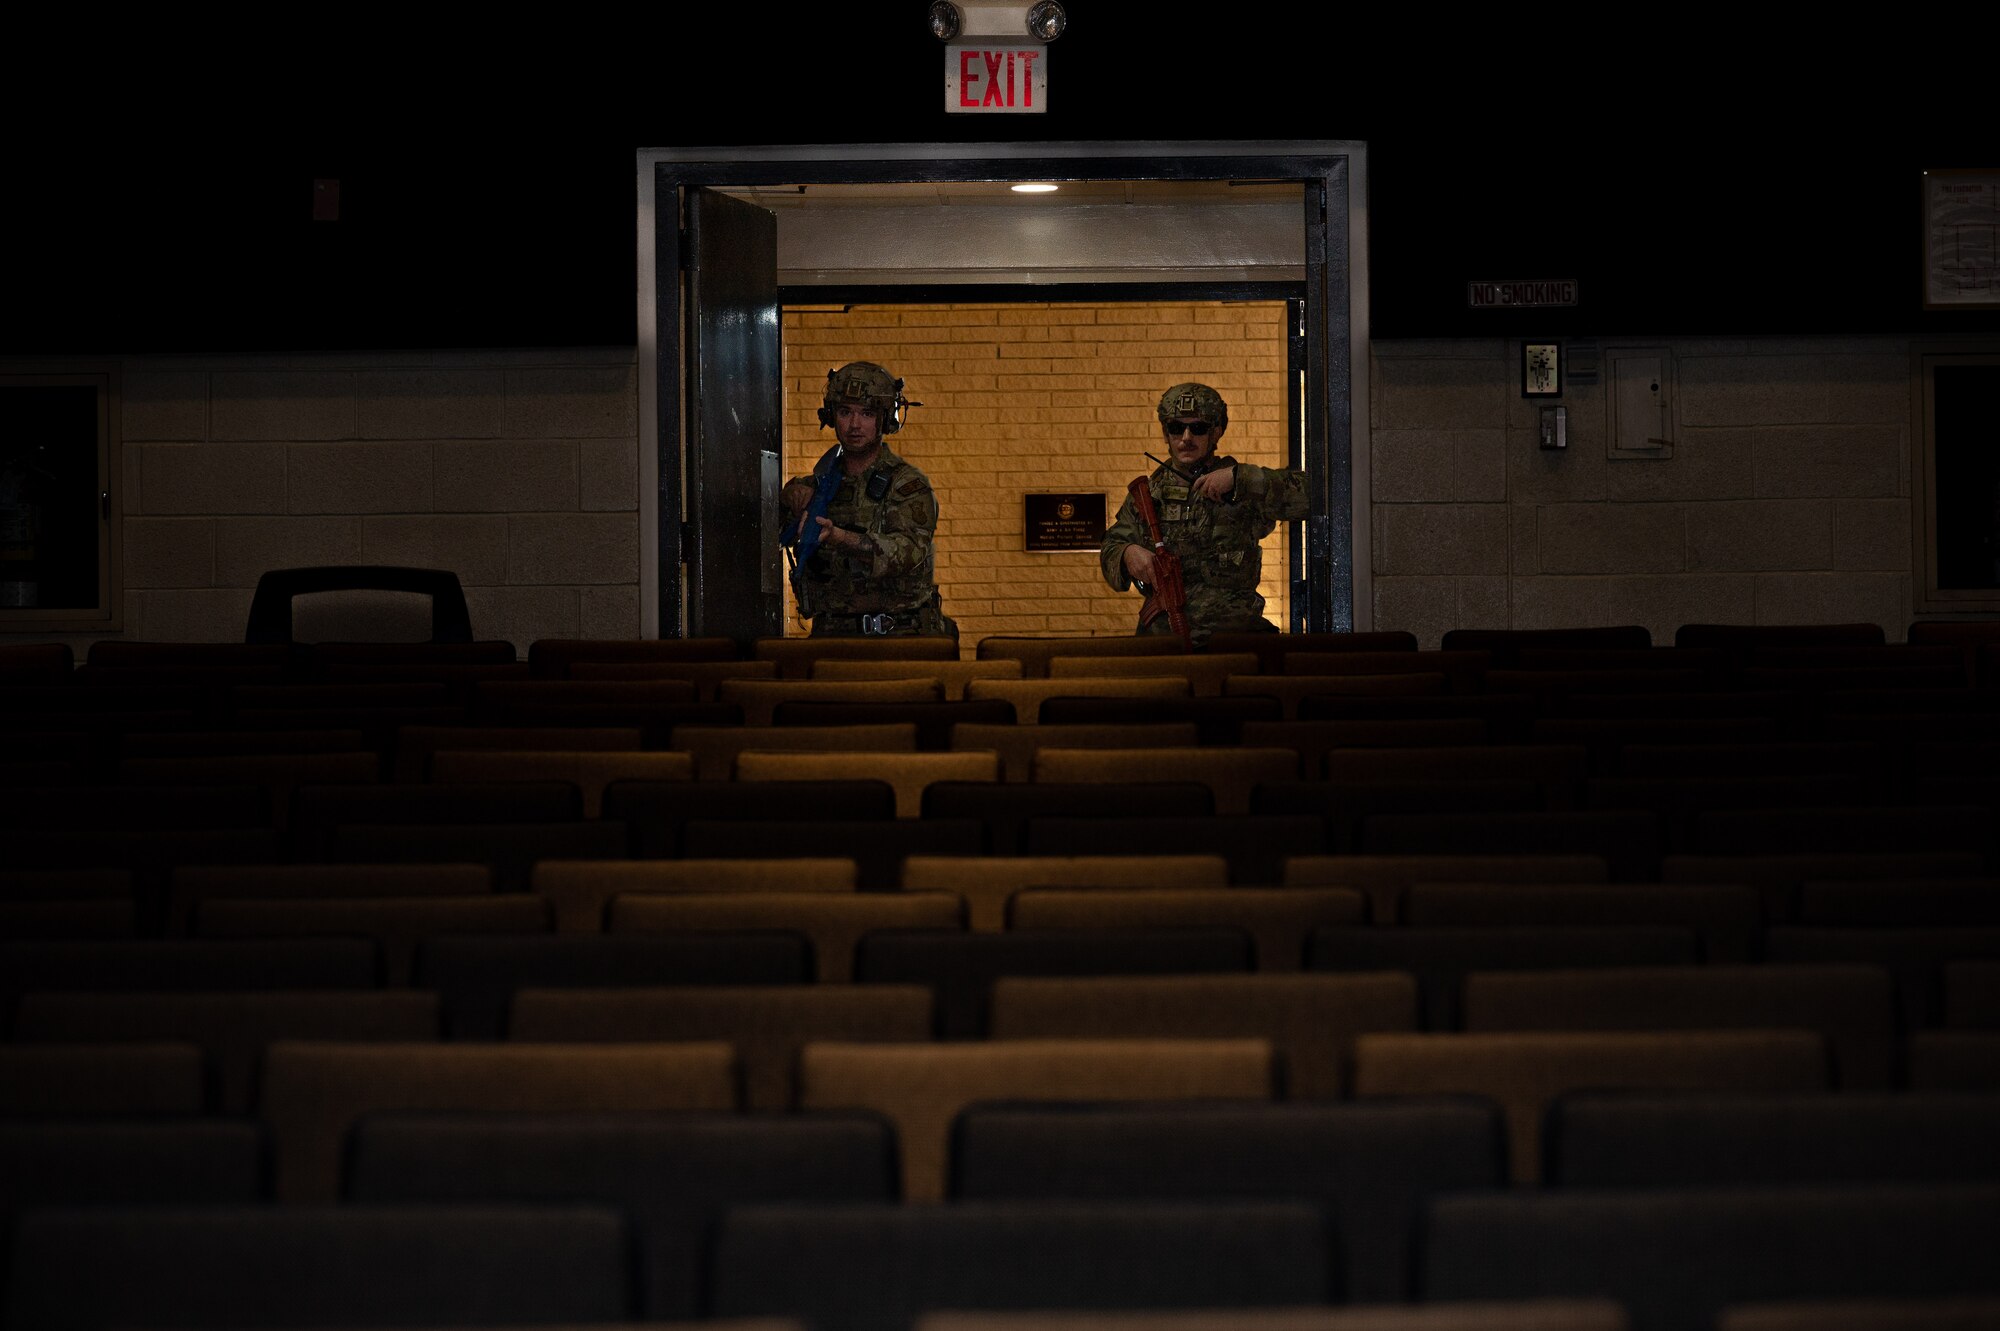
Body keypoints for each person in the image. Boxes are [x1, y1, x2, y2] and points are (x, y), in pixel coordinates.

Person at [1100, 381, 1309, 641]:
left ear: (1217, 432)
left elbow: (1309, 496)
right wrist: (1127, 554)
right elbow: (1112, 545)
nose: (1186, 438)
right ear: (1166, 434)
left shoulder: (1242, 486)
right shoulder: (1148, 494)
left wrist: (1239, 479)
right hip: (1166, 636)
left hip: (1233, 634)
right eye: (1177, 428)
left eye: (1197, 428)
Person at [781, 361, 954, 639]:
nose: (855, 424)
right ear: (831, 416)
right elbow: (771, 528)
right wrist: (790, 493)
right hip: (833, 636)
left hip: (899, 637)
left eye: (867, 413)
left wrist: (839, 537)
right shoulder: (819, 486)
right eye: (845, 412)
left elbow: (906, 553)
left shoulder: (906, 485)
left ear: (885, 420)